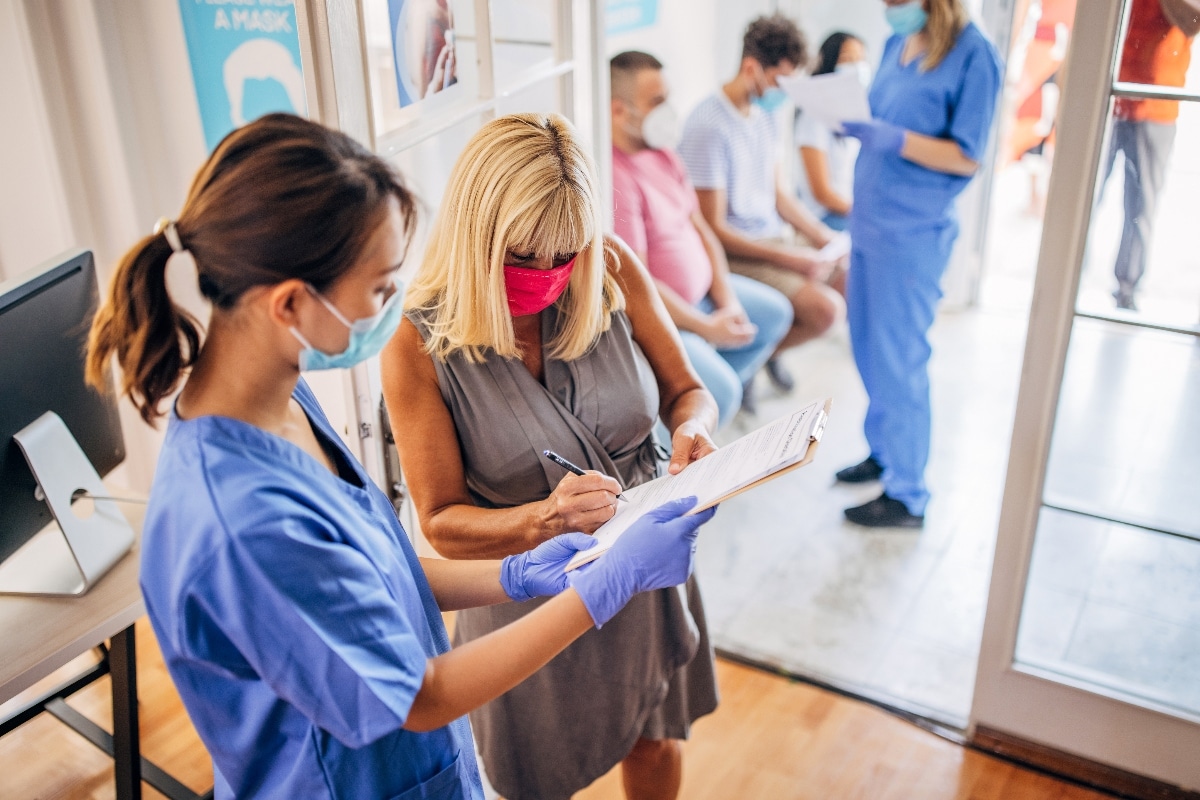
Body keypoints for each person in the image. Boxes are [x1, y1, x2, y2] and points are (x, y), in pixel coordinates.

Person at [84, 113, 714, 799]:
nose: (395, 307)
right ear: (293, 303)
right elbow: (420, 696)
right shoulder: (242, 518)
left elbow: (371, 569)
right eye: (381, 289)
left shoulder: (285, 407)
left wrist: (514, 576)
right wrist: (603, 584)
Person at [383, 113, 721, 800]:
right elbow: (440, 520)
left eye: (564, 254)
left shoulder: (612, 269)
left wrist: (693, 431)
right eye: (522, 256)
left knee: (657, 734)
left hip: (646, 562)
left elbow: (688, 390)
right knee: (532, 772)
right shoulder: (416, 345)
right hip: (525, 599)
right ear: (475, 235)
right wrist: (542, 520)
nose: (547, 275)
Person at [833, 0, 1002, 528]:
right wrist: (856, 125)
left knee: (900, 359)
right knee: (867, 347)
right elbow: (878, 114)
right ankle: (883, 452)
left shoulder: (976, 57)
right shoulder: (895, 44)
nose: (890, 7)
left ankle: (908, 494)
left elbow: (967, 156)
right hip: (869, 221)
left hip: (912, 232)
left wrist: (895, 138)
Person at [610, 50, 794, 423]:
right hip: (671, 316)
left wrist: (727, 303)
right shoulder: (616, 178)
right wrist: (704, 326)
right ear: (617, 111)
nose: (669, 111)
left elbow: (703, 231)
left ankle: (695, 410)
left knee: (775, 315)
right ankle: (697, 412)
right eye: (656, 102)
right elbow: (638, 283)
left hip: (706, 298)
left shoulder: (663, 154)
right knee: (722, 393)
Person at [678, 14, 845, 397]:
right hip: (737, 251)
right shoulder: (708, 126)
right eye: (779, 81)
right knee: (826, 311)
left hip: (771, 237)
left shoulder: (765, 117)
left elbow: (778, 195)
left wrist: (821, 236)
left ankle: (764, 351)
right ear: (751, 67)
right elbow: (715, 229)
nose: (782, 92)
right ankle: (755, 353)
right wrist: (792, 260)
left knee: (846, 269)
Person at [1099, 0, 1197, 311]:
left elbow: (1193, 21)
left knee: (1140, 206)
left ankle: (1126, 290)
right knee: (1084, 194)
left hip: (1157, 105)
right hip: (1110, 99)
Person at [794, 32, 869, 232]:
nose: (856, 66)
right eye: (848, 59)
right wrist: (864, 214)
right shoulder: (813, 117)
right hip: (824, 217)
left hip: (845, 211)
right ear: (829, 62)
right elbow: (822, 194)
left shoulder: (853, 116)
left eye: (860, 60)